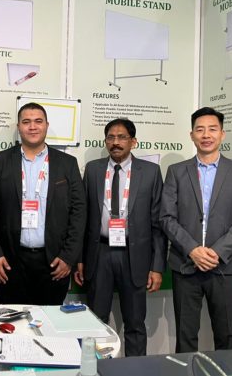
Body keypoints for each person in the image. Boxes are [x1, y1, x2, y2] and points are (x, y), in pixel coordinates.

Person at [160, 107, 232, 352]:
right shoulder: (176, 171)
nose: (206, 135)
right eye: (200, 130)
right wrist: (193, 250)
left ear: (222, 134)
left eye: (212, 129)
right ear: (191, 135)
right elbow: (167, 217)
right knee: (185, 338)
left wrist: (216, 252)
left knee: (227, 338)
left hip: (224, 267)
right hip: (185, 265)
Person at [74, 118, 166, 356]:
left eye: (122, 137)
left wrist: (157, 267)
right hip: (99, 254)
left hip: (134, 256)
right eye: (111, 137)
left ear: (133, 142)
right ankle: (96, 368)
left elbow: (158, 223)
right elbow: (83, 218)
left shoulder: (150, 172)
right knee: (96, 323)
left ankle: (136, 370)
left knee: (135, 323)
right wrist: (80, 259)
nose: (116, 142)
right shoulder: (93, 170)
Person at [0, 102, 86, 305]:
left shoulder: (67, 163)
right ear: (18, 127)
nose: (32, 127)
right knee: (14, 319)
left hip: (54, 262)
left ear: (46, 125)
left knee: (49, 320)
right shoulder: (1, 160)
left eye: (38, 121)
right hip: (9, 262)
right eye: (26, 122)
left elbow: (79, 213)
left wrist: (68, 257)